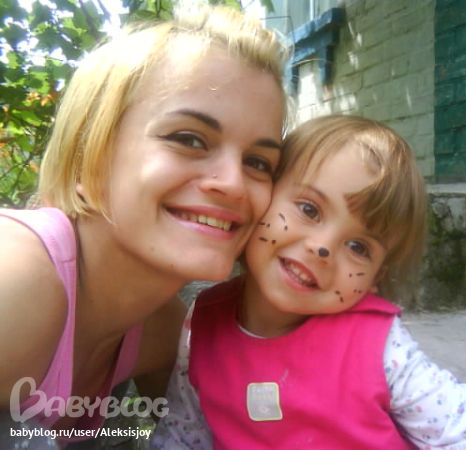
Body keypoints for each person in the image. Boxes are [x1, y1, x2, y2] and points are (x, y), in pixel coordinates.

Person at [151, 114, 466, 450]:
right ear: (265, 193)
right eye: (309, 209)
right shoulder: (202, 321)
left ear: (374, 278)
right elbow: (184, 432)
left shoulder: (378, 345)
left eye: (358, 247)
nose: (323, 248)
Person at [0, 3, 288, 447]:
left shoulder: (161, 331)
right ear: (89, 156)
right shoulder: (16, 279)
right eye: (189, 139)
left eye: (258, 162)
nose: (233, 183)